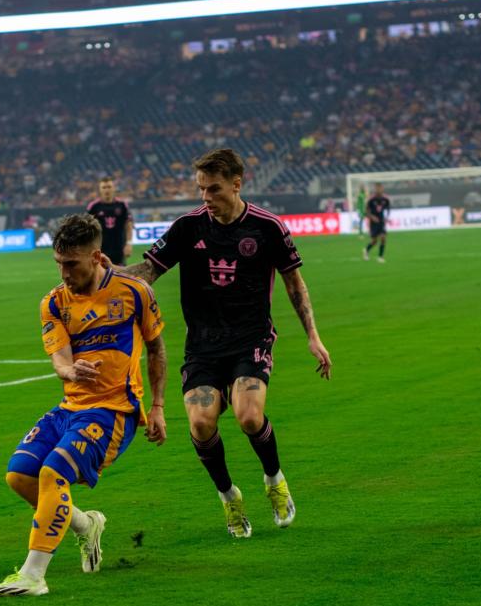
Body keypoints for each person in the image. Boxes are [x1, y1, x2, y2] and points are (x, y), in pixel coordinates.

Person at [115, 148, 331, 538]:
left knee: (249, 416)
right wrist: (106, 270)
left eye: (213, 189)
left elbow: (293, 283)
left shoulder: (267, 227)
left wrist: (312, 337)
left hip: (251, 338)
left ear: (236, 183)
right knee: (200, 422)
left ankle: (274, 480)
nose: (206, 198)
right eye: (200, 190)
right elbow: (147, 272)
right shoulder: (188, 227)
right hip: (203, 345)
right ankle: (229, 497)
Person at [0, 213, 168, 597]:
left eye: (72, 264)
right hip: (71, 407)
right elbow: (59, 359)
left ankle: (33, 576)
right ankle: (86, 525)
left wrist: (158, 406)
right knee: (19, 476)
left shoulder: (134, 293)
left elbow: (156, 348)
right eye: (59, 264)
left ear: (97, 257)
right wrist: (70, 371)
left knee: (54, 474)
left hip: (114, 411)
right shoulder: (53, 303)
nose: (64, 273)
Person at [86, 176, 134, 266]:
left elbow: (128, 225)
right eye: (104, 187)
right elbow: (87, 229)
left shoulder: (122, 205)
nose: (107, 190)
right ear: (100, 190)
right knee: (101, 278)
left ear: (114, 188)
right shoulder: (93, 207)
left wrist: (129, 244)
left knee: (119, 277)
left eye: (109, 187)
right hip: (100, 249)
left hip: (119, 249)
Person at [363, 183, 390, 263]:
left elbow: (388, 209)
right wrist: (372, 217)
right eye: (377, 188)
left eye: (380, 188)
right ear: (375, 189)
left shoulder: (385, 199)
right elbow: (366, 212)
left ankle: (380, 257)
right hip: (373, 223)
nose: (379, 190)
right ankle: (366, 250)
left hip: (381, 222)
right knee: (374, 241)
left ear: (382, 189)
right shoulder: (371, 200)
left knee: (383, 238)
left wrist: (386, 218)